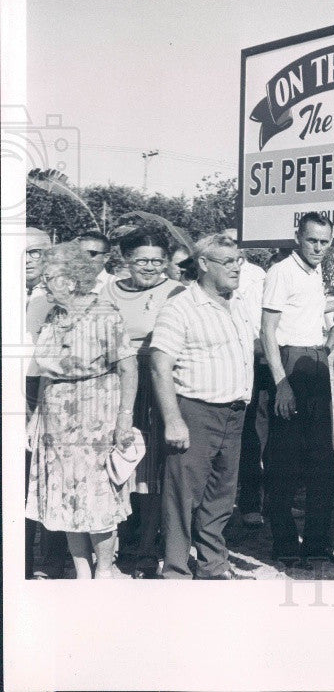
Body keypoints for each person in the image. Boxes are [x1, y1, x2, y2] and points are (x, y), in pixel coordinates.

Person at [26, 243, 139, 579]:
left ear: (73, 280)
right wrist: (36, 419)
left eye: (51, 278)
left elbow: (129, 368)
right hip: (56, 423)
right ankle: (81, 571)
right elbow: (48, 371)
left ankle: (104, 570)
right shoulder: (54, 315)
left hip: (96, 419)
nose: (45, 284)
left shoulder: (104, 315)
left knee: (97, 497)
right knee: (66, 497)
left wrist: (125, 418)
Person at [150, 234, 255, 579]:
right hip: (195, 411)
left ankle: (213, 566)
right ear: (204, 264)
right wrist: (173, 419)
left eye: (238, 260)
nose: (237, 267)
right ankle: (177, 571)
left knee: (221, 497)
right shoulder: (180, 306)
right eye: (228, 261)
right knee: (182, 497)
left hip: (234, 413)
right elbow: (159, 364)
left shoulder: (236, 303)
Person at [101, 228, 185, 578]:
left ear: (166, 262)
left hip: (155, 384)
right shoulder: (108, 291)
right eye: (141, 260)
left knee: (150, 472)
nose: (149, 267)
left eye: (157, 261)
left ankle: (148, 548)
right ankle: (117, 541)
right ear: (126, 261)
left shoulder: (177, 292)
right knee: (116, 465)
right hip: (113, 386)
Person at [260, 212, 334, 562]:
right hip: (289, 363)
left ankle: (318, 544)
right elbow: (268, 330)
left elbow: (314, 312)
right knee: (284, 460)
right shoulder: (281, 272)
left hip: (316, 363)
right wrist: (281, 383)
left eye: (324, 241)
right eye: (312, 240)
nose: (318, 247)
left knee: (321, 458)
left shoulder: (316, 271)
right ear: (298, 238)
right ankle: (285, 542)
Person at [23, 227, 67, 579]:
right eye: (22, 252)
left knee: (43, 479)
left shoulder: (50, 297)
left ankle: (48, 565)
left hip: (39, 393)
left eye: (37, 252)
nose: (28, 260)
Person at [222, 228, 272, 529]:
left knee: (258, 432)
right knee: (233, 432)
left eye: (238, 248)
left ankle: (254, 500)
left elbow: (261, 322)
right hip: (225, 361)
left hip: (256, 359)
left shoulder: (257, 275)